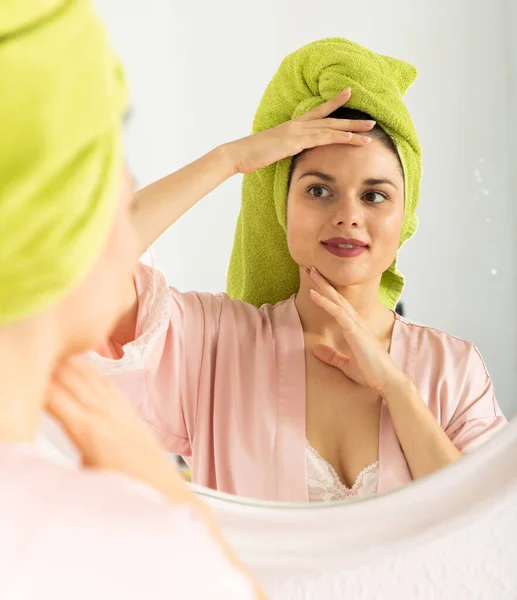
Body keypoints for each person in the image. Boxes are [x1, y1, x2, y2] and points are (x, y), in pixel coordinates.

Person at [93, 39, 507, 503]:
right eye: (318, 191)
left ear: (404, 217)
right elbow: (85, 268)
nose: (348, 215)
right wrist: (230, 159)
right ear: (281, 207)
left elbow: (487, 526)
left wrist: (397, 389)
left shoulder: (451, 368)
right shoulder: (213, 347)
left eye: (374, 195)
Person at [0, 2, 281, 598]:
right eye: (111, 159)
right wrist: (173, 501)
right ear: (55, 209)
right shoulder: (118, 552)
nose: (128, 186)